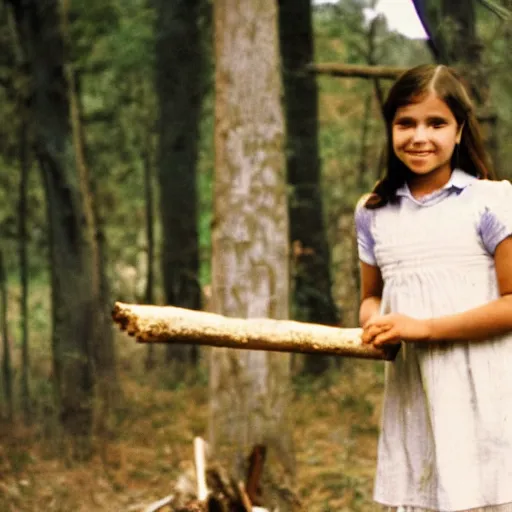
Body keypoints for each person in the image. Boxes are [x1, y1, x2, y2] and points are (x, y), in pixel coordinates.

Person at [354, 63, 512, 512]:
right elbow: (371, 297)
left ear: (459, 130)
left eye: (436, 123)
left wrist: (423, 327)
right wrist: (375, 323)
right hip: (416, 399)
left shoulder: (492, 201)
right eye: (405, 123)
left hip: (488, 398)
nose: (419, 136)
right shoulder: (373, 212)